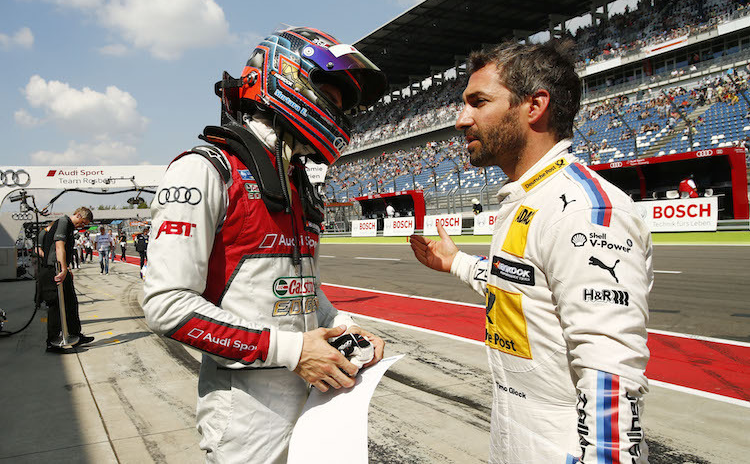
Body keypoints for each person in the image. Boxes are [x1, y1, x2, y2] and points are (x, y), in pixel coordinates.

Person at [142, 26, 388, 463]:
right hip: (245, 417)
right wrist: (293, 352)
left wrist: (345, 325)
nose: (339, 114)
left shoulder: (298, 182)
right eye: (331, 98)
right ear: (288, 77)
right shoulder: (204, 170)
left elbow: (299, 290)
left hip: (315, 403)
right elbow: (168, 306)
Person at [409, 40, 651, 463]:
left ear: (535, 105)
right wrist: (458, 263)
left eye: (478, 102)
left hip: (564, 447)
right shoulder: (527, 199)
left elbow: (610, 370)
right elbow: (521, 287)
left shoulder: (584, 209)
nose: (461, 120)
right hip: (514, 435)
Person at [38, 207, 95, 352]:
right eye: (82, 222)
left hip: (61, 268)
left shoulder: (68, 226)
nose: (82, 226)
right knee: (55, 305)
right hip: (53, 270)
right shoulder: (63, 221)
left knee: (71, 301)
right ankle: (52, 341)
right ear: (77, 215)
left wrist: (66, 269)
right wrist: (63, 268)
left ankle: (75, 334)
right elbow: (59, 246)